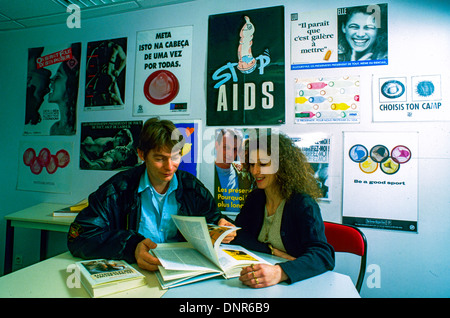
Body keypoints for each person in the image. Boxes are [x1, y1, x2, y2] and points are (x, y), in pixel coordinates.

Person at [68, 118, 236, 271]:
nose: (169, 167)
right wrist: (131, 247)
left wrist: (222, 227)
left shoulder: (192, 188)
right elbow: (80, 237)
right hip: (135, 271)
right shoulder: (116, 190)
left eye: (175, 157)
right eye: (160, 159)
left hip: (182, 271)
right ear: (142, 155)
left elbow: (213, 220)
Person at [234, 131, 335, 288]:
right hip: (258, 279)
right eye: (252, 164)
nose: (255, 171)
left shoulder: (302, 203)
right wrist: (273, 252)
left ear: (281, 166)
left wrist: (280, 272)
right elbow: (240, 236)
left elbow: (323, 256)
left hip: (296, 285)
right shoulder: (255, 198)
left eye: (263, 164)